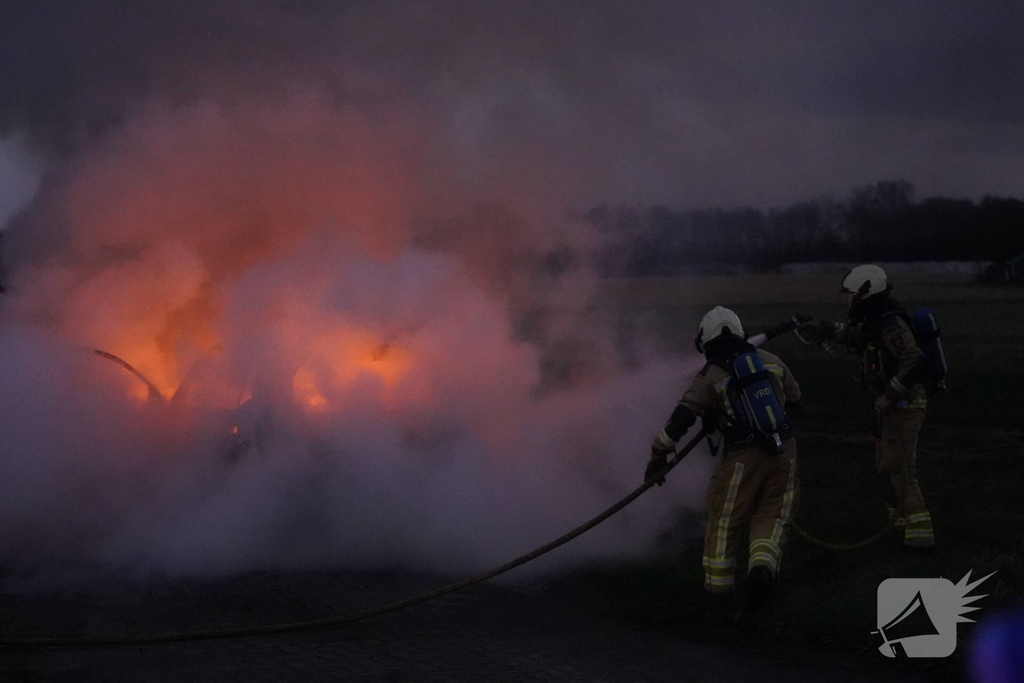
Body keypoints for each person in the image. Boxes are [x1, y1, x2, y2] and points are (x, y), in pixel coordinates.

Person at [646, 306, 801, 613]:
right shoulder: (772, 362)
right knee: (771, 515)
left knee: (725, 520)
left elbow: (682, 418)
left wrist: (658, 454)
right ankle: (762, 569)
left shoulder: (712, 374)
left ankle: (719, 592)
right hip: (785, 453)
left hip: (742, 457)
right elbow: (795, 398)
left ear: (707, 341)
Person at [800, 264, 935, 551]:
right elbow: (855, 337)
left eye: (851, 294)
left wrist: (889, 394)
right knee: (886, 465)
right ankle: (898, 522)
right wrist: (821, 328)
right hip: (889, 404)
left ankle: (920, 533)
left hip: (904, 404)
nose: (849, 300)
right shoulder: (875, 320)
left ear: (865, 291)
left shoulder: (889, 322)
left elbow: (915, 361)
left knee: (900, 467)